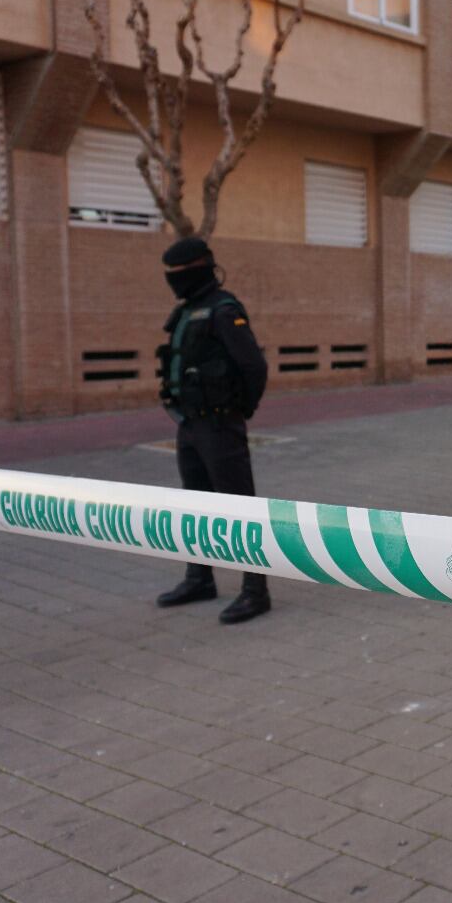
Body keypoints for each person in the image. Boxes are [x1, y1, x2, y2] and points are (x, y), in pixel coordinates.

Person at [155, 236, 272, 623]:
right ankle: (200, 578)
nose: (174, 281)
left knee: (240, 509)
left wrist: (240, 411)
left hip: (220, 423)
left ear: (202, 267)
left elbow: (254, 366)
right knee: (196, 507)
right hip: (189, 424)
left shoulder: (224, 310)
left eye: (180, 273)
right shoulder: (188, 311)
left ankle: (256, 591)